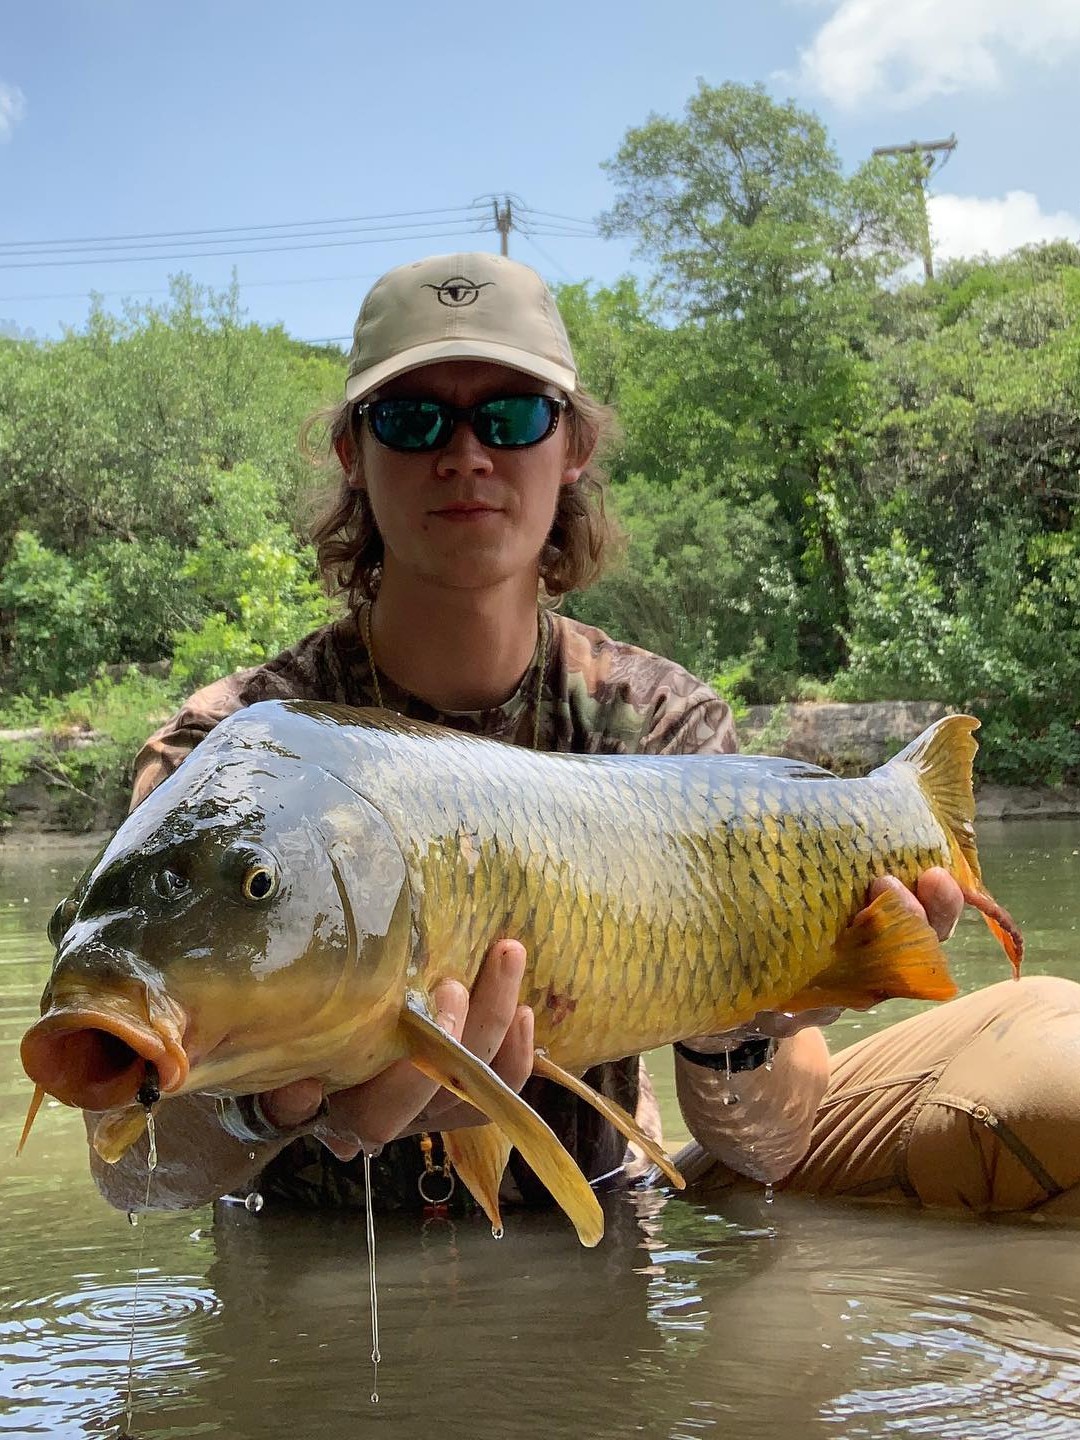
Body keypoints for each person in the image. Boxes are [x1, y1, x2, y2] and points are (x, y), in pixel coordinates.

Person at [86, 252, 1080, 1220]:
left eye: (512, 416)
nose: (464, 452)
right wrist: (260, 1108)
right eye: (411, 415)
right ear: (354, 452)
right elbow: (132, 1178)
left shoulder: (667, 728)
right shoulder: (231, 756)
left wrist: (750, 1025)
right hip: (299, 1267)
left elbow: (766, 1149)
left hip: (598, 1240)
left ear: (572, 450)